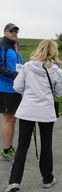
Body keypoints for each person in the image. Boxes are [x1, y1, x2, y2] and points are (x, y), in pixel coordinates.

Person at [5, 40, 62, 192]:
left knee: (22, 146)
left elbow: (17, 86)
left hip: (27, 110)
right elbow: (59, 92)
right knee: (46, 144)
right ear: (54, 52)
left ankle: (14, 181)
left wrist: (29, 90)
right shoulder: (57, 71)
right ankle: (47, 178)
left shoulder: (27, 67)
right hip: (45, 111)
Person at [0, 23, 22, 161]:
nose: (14, 33)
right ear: (5, 32)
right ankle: (6, 150)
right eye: (11, 31)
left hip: (16, 89)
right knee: (8, 119)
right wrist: (16, 76)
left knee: (13, 119)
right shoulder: (1, 47)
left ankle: (9, 147)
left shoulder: (15, 47)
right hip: (5, 89)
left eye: (16, 31)